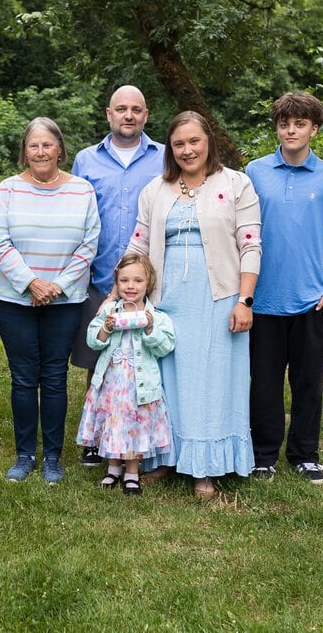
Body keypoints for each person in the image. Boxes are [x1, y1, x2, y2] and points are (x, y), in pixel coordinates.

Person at [127, 111, 262, 498]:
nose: (187, 150)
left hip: (219, 298)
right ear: (170, 149)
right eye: (179, 144)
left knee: (211, 380)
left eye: (194, 141)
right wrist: (119, 293)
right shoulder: (155, 190)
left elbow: (251, 245)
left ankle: (206, 466)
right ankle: (166, 457)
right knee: (167, 379)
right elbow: (139, 245)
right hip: (166, 299)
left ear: (209, 142)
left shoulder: (236, 184)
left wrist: (244, 300)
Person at [245, 93, 323, 484]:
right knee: (264, 384)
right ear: (276, 128)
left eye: (300, 124)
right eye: (284, 124)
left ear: (314, 129)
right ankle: (263, 454)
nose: (291, 130)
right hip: (263, 299)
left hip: (313, 299)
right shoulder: (254, 172)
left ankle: (305, 454)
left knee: (309, 383)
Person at [0, 118, 100, 484]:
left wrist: (57, 286)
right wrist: (32, 283)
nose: (40, 152)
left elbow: (89, 243)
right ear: (25, 151)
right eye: (33, 146)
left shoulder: (82, 190)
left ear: (60, 150)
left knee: (54, 376)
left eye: (47, 145)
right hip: (14, 299)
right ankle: (24, 455)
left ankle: (52, 456)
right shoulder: (8, 188)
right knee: (23, 378)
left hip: (65, 301)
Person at [69, 85, 165, 468]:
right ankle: (97, 438)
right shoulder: (86, 159)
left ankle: (146, 438)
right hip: (98, 277)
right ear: (109, 114)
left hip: (151, 280)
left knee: (148, 357)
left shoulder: (164, 158)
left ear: (146, 115)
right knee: (99, 359)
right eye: (121, 109)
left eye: (136, 109)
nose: (129, 115)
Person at [76, 254, 175, 496]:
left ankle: (132, 473)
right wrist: (106, 328)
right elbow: (92, 341)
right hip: (112, 384)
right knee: (114, 423)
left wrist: (150, 328)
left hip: (139, 386)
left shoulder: (156, 316)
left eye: (138, 281)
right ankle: (113, 469)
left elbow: (165, 346)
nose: (131, 286)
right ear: (117, 283)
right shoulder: (109, 310)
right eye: (124, 280)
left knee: (135, 427)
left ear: (148, 283)